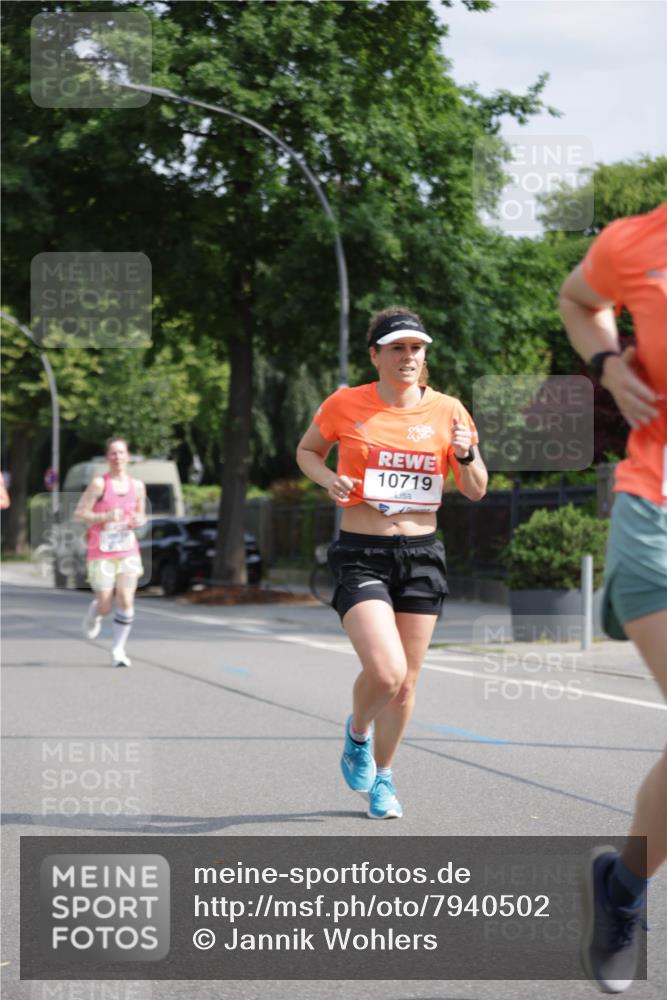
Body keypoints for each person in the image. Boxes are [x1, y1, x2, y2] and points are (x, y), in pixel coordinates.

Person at [296, 306, 487, 819]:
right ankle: (357, 733)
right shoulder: (345, 403)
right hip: (363, 554)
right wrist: (328, 479)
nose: (408, 356)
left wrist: (466, 455)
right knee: (385, 671)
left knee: (405, 685)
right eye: (397, 347)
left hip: (422, 555)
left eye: (416, 348)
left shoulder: (449, 410)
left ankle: (383, 778)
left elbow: (476, 489)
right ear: (375, 355)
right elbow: (308, 452)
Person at [559, 202, 667, 994]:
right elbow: (577, 298)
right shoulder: (637, 241)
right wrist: (606, 363)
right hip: (656, 508)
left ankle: (621, 885)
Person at [74, 437, 146, 667]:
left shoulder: (138, 486)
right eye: (113, 453)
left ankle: (118, 650)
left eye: (122, 452)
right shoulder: (99, 484)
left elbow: (142, 515)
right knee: (105, 606)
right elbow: (79, 514)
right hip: (101, 551)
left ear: (128, 456)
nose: (118, 457)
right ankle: (95, 613)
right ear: (107, 457)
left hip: (128, 550)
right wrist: (104, 516)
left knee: (125, 598)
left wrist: (139, 520)